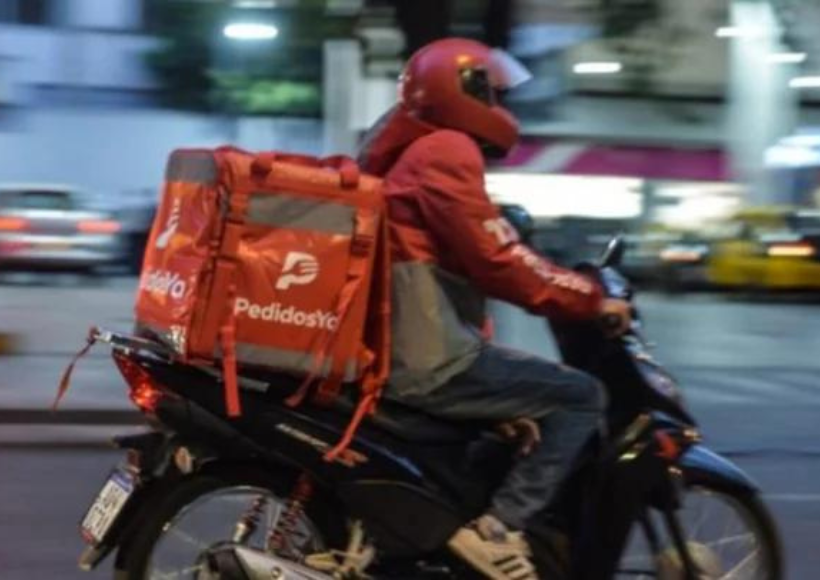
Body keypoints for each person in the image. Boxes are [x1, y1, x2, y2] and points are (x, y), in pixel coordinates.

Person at [358, 38, 631, 580]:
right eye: (494, 94)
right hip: (430, 359)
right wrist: (590, 297)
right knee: (581, 396)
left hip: (415, 346)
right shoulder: (445, 151)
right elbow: (498, 258)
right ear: (464, 91)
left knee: (514, 409)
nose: (501, 107)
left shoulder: (413, 151)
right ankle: (499, 531)